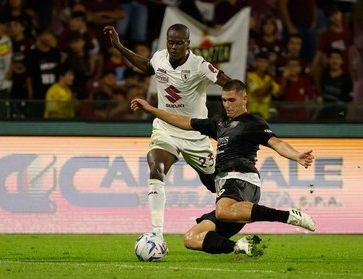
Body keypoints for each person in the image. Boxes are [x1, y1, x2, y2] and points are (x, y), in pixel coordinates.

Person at [130, 79, 316, 256]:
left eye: (232, 100)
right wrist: (152, 110)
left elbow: (277, 143)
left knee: (222, 211)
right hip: (226, 192)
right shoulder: (218, 123)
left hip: (242, 180)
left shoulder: (253, 122)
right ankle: (241, 247)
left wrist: (297, 155)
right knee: (192, 238)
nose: (227, 104)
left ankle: (289, 216)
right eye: (224, 100)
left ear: (245, 99)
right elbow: (183, 121)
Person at [103, 23, 231, 238]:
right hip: (166, 129)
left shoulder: (199, 65)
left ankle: (233, 216)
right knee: (156, 167)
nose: (174, 47)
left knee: (214, 184)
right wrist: (118, 46)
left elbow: (226, 82)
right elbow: (146, 67)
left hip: (195, 134)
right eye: (171, 42)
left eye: (179, 43)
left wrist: (234, 109)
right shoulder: (160, 57)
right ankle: (157, 234)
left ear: (188, 44)